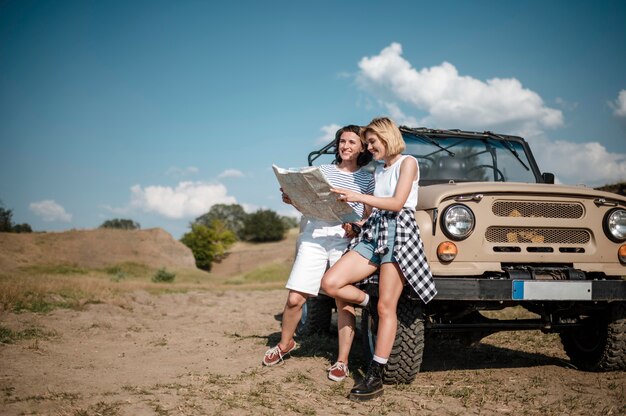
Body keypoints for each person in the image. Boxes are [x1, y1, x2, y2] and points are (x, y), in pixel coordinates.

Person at [321, 117, 437, 401]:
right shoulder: (378, 169)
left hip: (398, 232)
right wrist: (356, 220)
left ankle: (375, 374)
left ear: (387, 137)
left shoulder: (407, 162)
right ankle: (367, 302)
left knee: (388, 307)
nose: (369, 147)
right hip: (374, 232)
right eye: (368, 143)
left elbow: (397, 203)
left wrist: (359, 195)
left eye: (372, 142)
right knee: (330, 283)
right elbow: (373, 210)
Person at [262, 125, 374, 383]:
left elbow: (368, 214)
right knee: (294, 299)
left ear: (361, 148)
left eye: (352, 142)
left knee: (342, 302)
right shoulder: (322, 171)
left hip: (343, 241)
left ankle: (342, 361)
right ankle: (285, 344)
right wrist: (292, 198)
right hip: (313, 236)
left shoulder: (367, 179)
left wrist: (355, 225)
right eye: (342, 141)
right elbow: (306, 203)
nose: (346, 146)